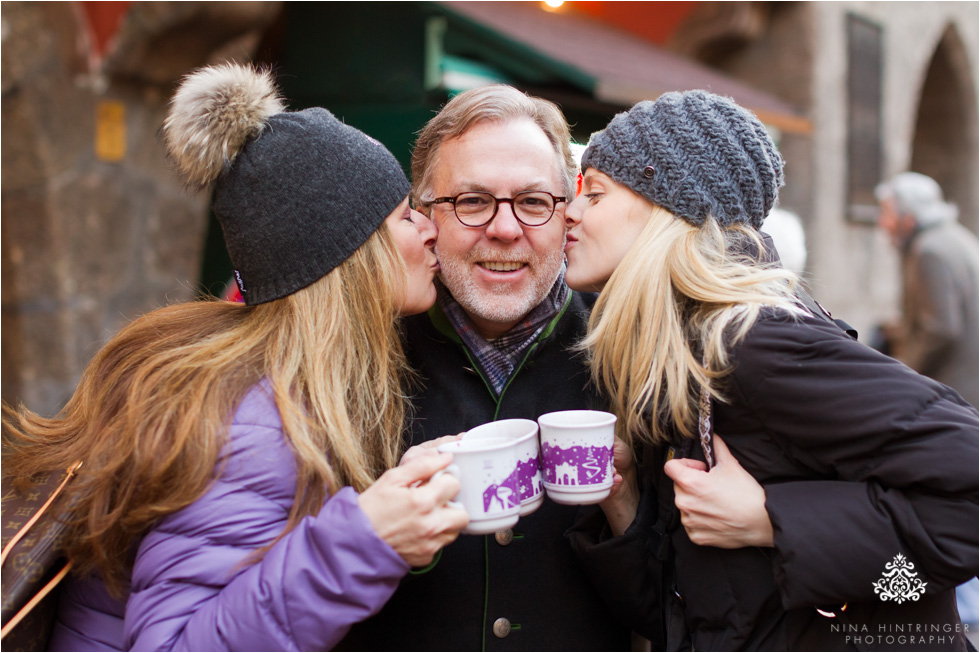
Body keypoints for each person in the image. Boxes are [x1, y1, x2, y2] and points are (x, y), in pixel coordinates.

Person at [2, 63, 469, 651]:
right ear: (349, 254)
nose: (430, 231)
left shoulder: (267, 389)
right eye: (405, 215)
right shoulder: (257, 428)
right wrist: (362, 543)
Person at [561, 90, 978, 650]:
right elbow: (688, 613)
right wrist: (624, 500)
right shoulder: (678, 350)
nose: (570, 210)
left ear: (669, 207)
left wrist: (770, 519)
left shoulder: (753, 340)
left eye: (596, 192)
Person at [338, 85, 633, 651]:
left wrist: (630, 505)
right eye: (471, 202)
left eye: (532, 202)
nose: (504, 229)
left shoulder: (629, 345)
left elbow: (683, 589)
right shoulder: (355, 353)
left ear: (566, 212)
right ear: (423, 217)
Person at [875, 172, 979, 409]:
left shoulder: (930, 251)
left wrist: (903, 372)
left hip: (954, 389)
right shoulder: (953, 236)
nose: (883, 223)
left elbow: (940, 329)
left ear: (908, 218)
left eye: (887, 213)